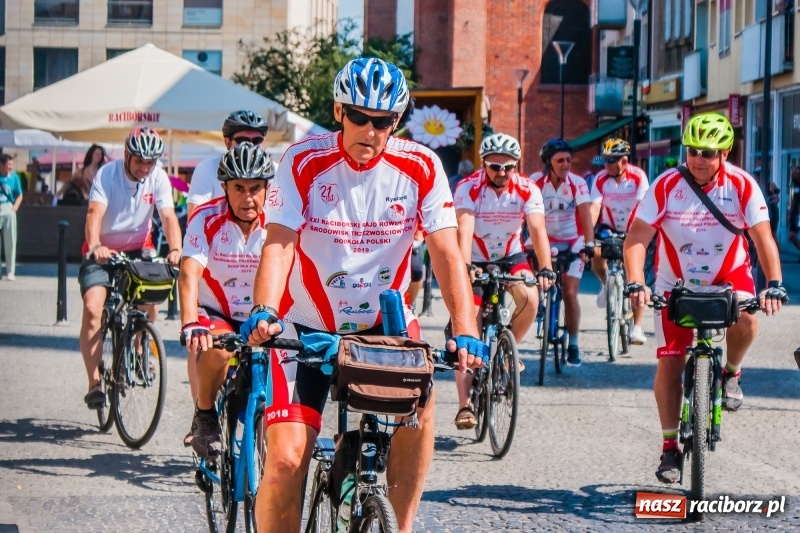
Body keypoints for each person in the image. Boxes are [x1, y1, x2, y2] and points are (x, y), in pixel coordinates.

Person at [239, 57, 487, 533]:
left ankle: (401, 524)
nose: (370, 130)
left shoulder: (421, 166)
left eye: (383, 121)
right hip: (304, 325)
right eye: (358, 116)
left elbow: (447, 255)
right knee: (287, 462)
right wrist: (265, 310)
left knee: (424, 404)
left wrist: (466, 329)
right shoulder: (303, 161)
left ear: (396, 122)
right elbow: (279, 244)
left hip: (382, 326)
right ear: (338, 111)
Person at [623, 112, 787, 484]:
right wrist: (636, 282)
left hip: (728, 275)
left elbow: (763, 239)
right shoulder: (666, 186)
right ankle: (669, 448)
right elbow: (636, 239)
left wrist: (774, 282)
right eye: (694, 150)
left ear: (725, 153)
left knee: (747, 317)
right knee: (670, 361)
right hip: (673, 281)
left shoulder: (743, 186)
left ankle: (731, 372)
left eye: (709, 152)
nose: (700, 158)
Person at [178, 143, 276, 458]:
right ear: (225, 188)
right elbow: (189, 274)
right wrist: (190, 322)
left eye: (255, 188)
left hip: (263, 312)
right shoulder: (206, 218)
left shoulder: (280, 221)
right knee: (219, 348)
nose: (248, 197)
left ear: (267, 188)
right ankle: (205, 415)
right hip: (217, 310)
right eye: (239, 188)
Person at [452, 132, 554, 428]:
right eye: (495, 167)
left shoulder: (527, 188)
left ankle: (509, 350)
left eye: (508, 167)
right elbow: (464, 227)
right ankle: (465, 406)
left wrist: (545, 266)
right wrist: (465, 266)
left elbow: (537, 228)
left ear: (516, 166)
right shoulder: (468, 188)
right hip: (475, 256)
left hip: (511, 255)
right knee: (467, 328)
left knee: (531, 296)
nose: (501, 173)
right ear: (483, 164)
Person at [79, 127, 183, 409]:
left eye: (151, 162)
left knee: (152, 295)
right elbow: (94, 213)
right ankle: (95, 383)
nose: (145, 168)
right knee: (92, 310)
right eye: (140, 161)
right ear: (126, 154)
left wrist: (175, 249)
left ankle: (139, 346)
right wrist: (96, 244)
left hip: (139, 246)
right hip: (102, 249)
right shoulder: (107, 175)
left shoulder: (157, 176)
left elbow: (168, 216)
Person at [532, 138, 595, 367]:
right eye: (560, 160)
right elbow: (526, 214)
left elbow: (586, 216)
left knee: (569, 292)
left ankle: (574, 343)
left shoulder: (577, 183)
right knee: (538, 279)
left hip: (573, 239)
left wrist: (589, 244)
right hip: (545, 239)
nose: (566, 164)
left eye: (569, 159)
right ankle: (542, 303)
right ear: (549, 162)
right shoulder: (536, 182)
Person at [590, 138, 649, 345]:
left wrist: (637, 236)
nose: (607, 165)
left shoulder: (638, 177)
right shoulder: (600, 179)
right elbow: (594, 207)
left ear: (624, 161)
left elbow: (643, 207)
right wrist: (588, 235)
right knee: (596, 253)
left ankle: (638, 327)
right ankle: (607, 285)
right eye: (605, 160)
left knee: (635, 276)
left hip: (633, 228)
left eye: (612, 160)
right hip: (608, 227)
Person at [186, 109, 269, 219]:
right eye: (242, 140)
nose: (250, 145)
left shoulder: (276, 171)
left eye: (257, 140)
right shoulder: (207, 168)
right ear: (227, 142)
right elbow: (196, 220)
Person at [0, 154, 23, 281]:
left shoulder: (14, 177)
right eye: (8, 165)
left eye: (11, 165)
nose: (10, 168)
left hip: (8, 208)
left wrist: (15, 208)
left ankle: (10, 271)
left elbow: (19, 195)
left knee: (10, 241)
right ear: (1, 165)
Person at [787, 167, 800, 259]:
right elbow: (794, 199)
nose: (794, 174)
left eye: (796, 173)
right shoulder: (795, 184)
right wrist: (790, 213)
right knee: (792, 235)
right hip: (796, 213)